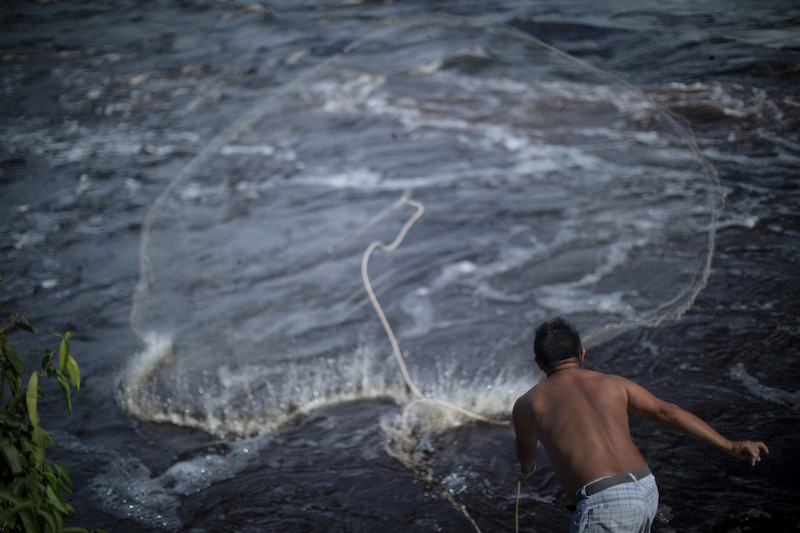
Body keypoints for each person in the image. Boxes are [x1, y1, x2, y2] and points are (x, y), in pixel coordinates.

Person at [513, 317, 768, 532]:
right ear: (582, 354)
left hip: (605, 502)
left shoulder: (528, 404)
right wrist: (730, 445)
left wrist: (526, 469)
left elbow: (525, 448)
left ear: (539, 363)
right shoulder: (615, 383)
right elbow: (669, 412)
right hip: (645, 486)